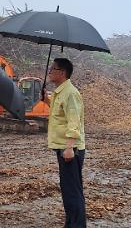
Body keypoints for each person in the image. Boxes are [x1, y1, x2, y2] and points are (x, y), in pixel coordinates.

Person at [46, 58, 86, 227]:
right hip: (63, 147)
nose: (49, 71)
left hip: (70, 149)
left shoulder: (70, 93)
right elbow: (59, 114)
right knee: (68, 190)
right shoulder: (60, 92)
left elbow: (73, 122)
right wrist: (46, 100)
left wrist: (69, 147)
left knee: (72, 191)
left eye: (52, 69)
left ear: (62, 73)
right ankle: (71, 223)